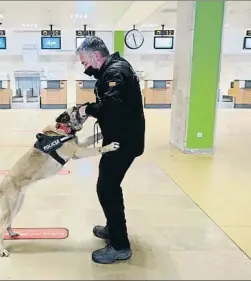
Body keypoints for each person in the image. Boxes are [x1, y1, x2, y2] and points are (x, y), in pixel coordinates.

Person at [75, 36, 145, 264]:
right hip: (119, 138)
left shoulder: (115, 72)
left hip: (124, 142)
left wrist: (88, 109)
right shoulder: (112, 69)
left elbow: (112, 106)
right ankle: (112, 228)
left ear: (96, 56)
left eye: (85, 62)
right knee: (107, 186)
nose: (84, 67)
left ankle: (120, 245)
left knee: (107, 188)